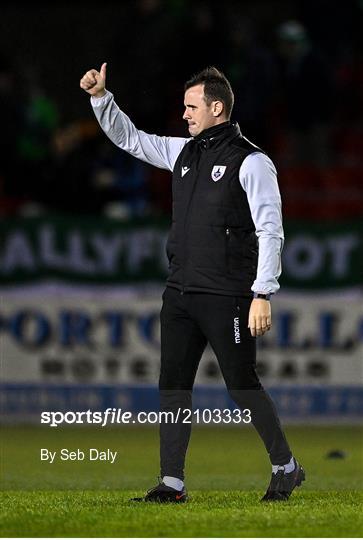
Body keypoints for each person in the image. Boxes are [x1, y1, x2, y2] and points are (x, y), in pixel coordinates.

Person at [80, 64, 305, 502]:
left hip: (228, 295)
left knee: (242, 386)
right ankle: (172, 482)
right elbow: (131, 138)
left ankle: (286, 466)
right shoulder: (183, 152)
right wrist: (101, 99)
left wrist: (263, 292)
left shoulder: (252, 161)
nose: (183, 114)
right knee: (173, 385)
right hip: (180, 292)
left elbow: (270, 229)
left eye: (191, 106)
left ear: (216, 107)